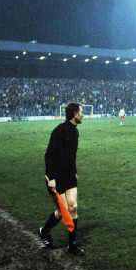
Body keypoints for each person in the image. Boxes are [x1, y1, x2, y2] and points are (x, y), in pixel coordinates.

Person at [38, 102, 85, 255]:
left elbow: (71, 156)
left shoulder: (75, 132)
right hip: (56, 177)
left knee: (73, 207)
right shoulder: (59, 130)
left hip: (69, 174)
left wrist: (75, 172)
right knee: (62, 211)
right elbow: (49, 155)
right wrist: (51, 178)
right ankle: (44, 231)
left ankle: (72, 245)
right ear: (75, 115)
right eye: (81, 112)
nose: (83, 115)